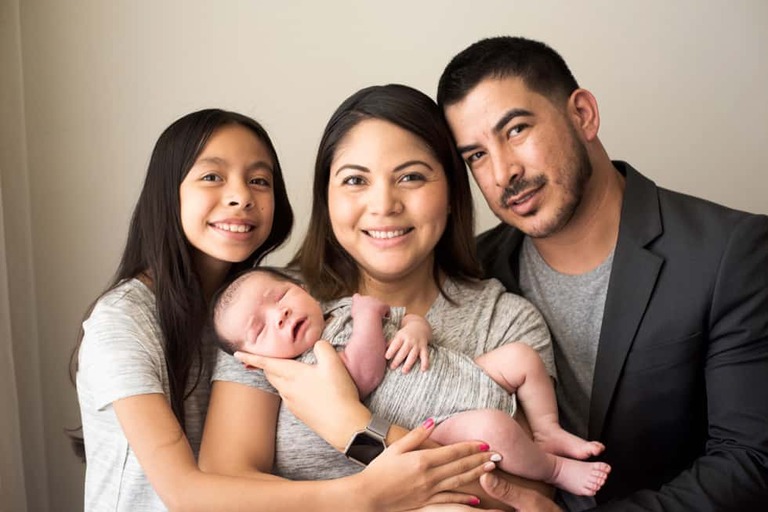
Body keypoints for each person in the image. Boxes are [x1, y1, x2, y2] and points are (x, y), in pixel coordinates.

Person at [72, 108, 497, 511]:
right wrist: (364, 495)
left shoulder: (274, 305)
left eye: (259, 181)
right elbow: (184, 494)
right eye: (212, 176)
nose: (241, 196)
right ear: (168, 194)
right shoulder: (123, 320)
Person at [435, 36, 768, 511]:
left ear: (583, 114)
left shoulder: (730, 251)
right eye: (476, 155)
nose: (503, 173)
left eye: (516, 130)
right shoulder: (473, 271)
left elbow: (750, 463)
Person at [202, 84, 558, 510]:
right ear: (326, 197)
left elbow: (529, 497)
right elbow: (222, 492)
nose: (384, 204)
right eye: (355, 180)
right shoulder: (266, 310)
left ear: (451, 192)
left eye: (411, 177)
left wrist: (353, 427)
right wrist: (362, 496)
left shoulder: (505, 322)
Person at [211, 266, 611, 496]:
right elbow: (363, 375)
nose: (279, 314)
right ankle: (554, 469)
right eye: (260, 328)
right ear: (252, 361)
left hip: (467, 371)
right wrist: (368, 317)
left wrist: (417, 329)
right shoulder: (307, 368)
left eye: (280, 296)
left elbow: (408, 319)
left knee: (521, 357)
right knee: (494, 429)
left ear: (301, 288)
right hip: (443, 422)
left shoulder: (341, 308)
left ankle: (547, 429)